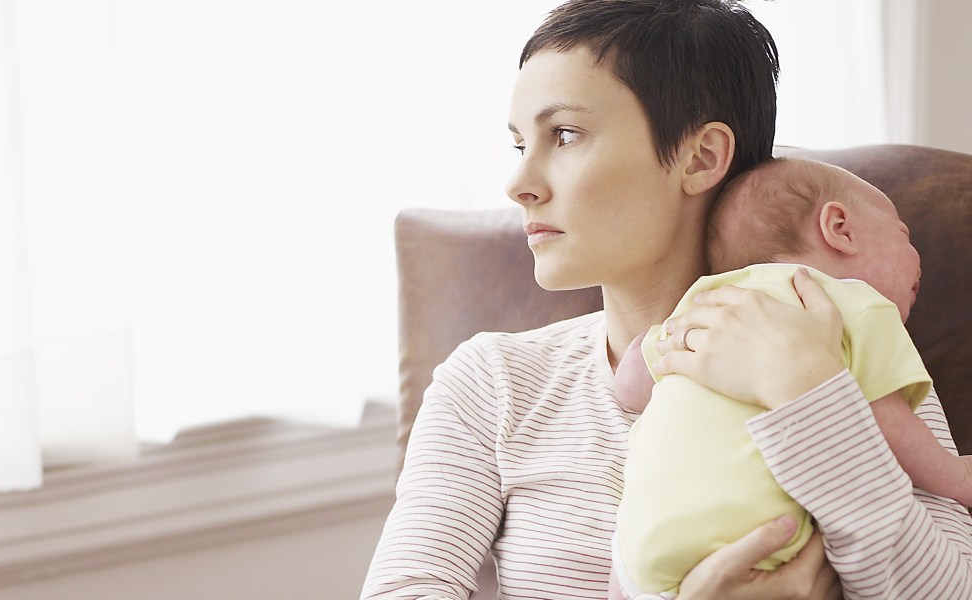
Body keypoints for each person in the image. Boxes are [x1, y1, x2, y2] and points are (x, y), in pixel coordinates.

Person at [360, 1, 972, 599]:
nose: (519, 184)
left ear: (701, 157)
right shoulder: (492, 384)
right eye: (522, 145)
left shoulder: (851, 352)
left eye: (565, 135)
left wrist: (810, 394)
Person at [611, 156, 972, 598]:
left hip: (643, 553)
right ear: (839, 228)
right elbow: (885, 420)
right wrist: (954, 477)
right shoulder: (857, 303)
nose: (920, 262)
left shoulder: (703, 303)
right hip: (767, 542)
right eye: (904, 235)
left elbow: (630, 385)